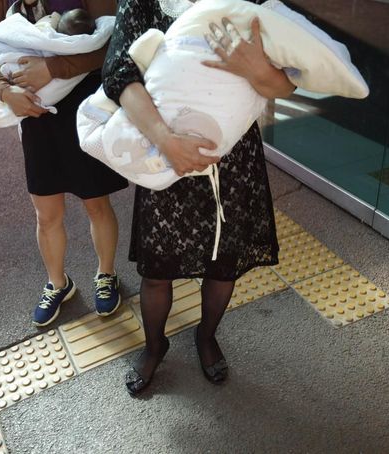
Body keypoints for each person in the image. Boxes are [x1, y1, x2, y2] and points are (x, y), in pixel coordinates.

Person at [101, 0, 296, 395]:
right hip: (165, 156)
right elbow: (119, 72)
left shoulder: (249, 4)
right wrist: (165, 141)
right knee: (156, 270)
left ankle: (206, 337)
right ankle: (155, 345)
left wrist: (256, 69)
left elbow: (287, 82)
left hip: (233, 158)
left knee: (222, 265)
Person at [0, 0, 128, 326]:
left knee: (96, 203)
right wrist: (2, 90)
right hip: (33, 111)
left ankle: (106, 274)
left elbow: (116, 40)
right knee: (46, 213)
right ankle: (58, 283)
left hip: (82, 106)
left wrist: (53, 69)